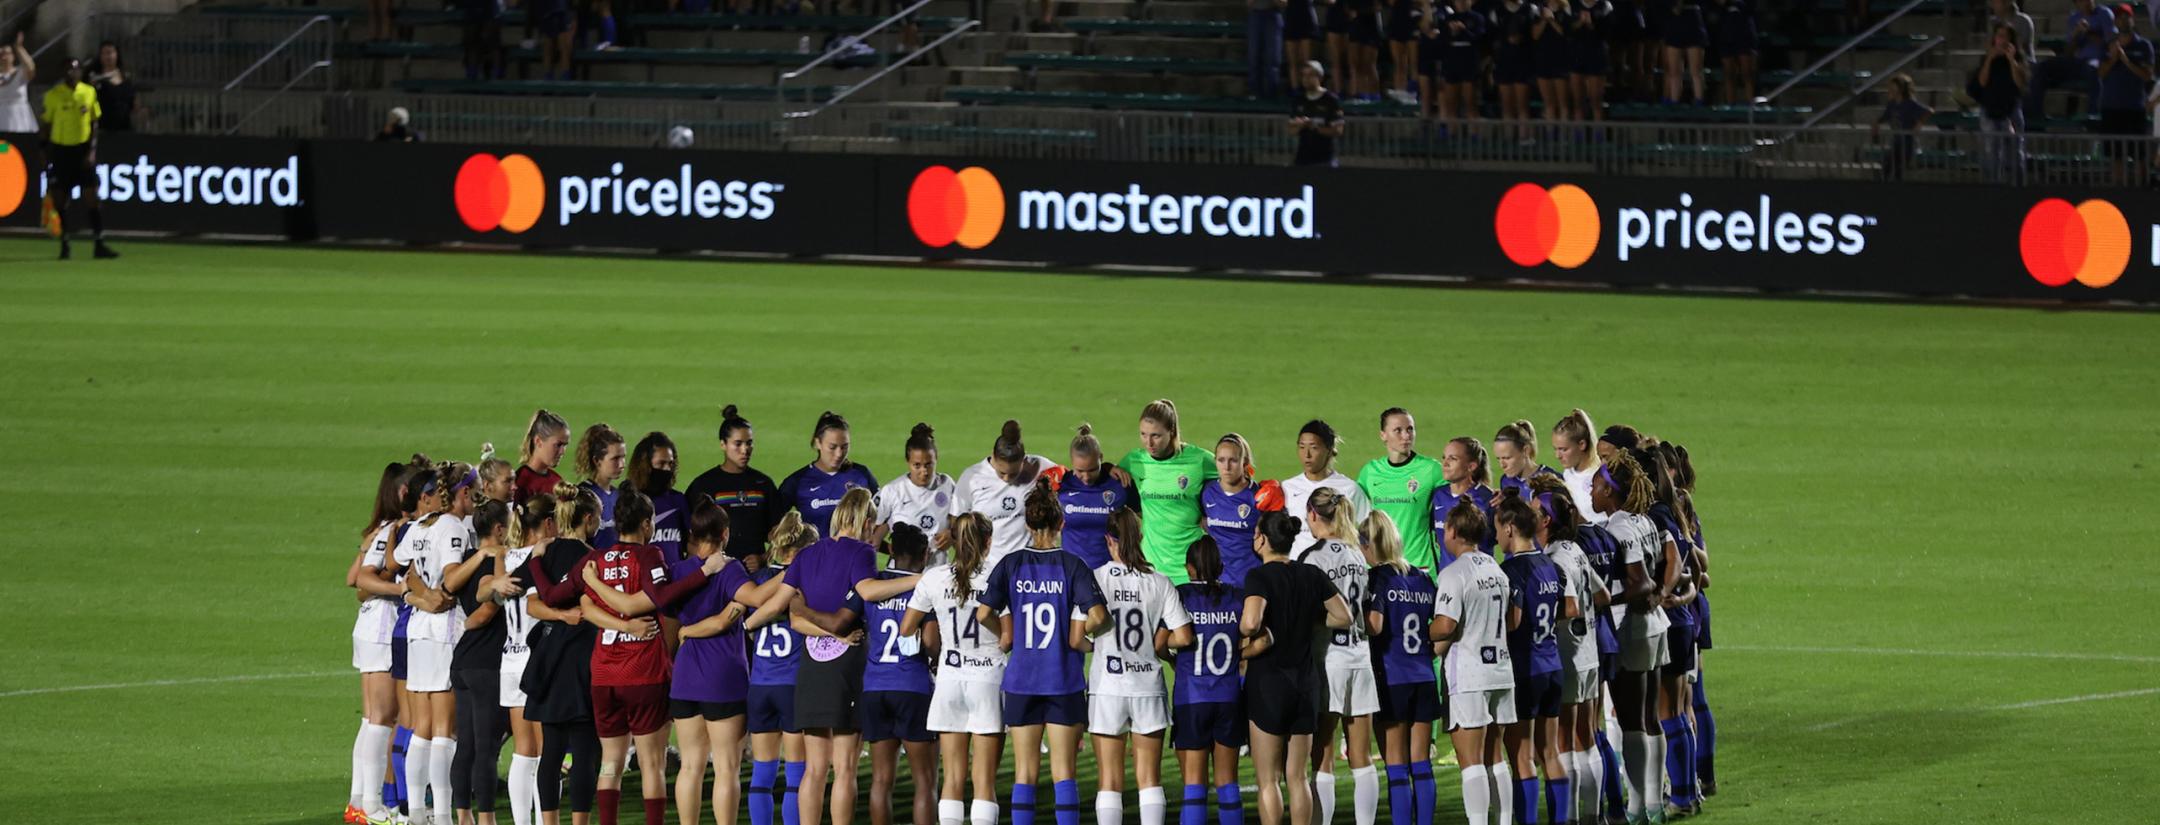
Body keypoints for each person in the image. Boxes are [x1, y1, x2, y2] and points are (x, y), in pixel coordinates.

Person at [744, 488, 881, 825]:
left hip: (811, 666)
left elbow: (776, 604)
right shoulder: (862, 552)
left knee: (814, 768)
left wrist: (746, 625)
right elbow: (867, 594)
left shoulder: (807, 554)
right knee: (845, 767)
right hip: (846, 662)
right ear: (867, 520)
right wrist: (918, 580)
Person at [976, 480, 1110, 825]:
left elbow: (982, 613)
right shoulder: (1072, 564)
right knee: (1064, 772)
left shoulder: (1011, 563)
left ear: (1027, 524)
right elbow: (1097, 615)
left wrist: (1007, 634)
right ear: (1061, 523)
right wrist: (1083, 639)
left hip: (1021, 679)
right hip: (1063, 680)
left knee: (1024, 773)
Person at [1240, 510, 1354, 825]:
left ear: (1261, 539)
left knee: (1268, 780)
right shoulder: (1311, 574)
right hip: (1305, 683)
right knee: (1298, 776)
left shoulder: (1259, 577)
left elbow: (1251, 623)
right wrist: (1312, 617)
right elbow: (1344, 616)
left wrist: (1248, 633)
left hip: (1269, 685)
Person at [1086, 509, 1194, 825]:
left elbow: (1079, 632)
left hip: (1108, 686)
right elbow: (1184, 636)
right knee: (1149, 778)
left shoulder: (1096, 579)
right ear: (1141, 538)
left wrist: (1099, 644)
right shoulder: (1159, 582)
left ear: (1109, 540)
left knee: (1110, 780)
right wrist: (1155, 641)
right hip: (1148, 685)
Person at [1590, 452, 1681, 825]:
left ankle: (1636, 806)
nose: (1591, 490)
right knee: (1649, 717)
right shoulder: (1642, 521)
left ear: (1610, 492)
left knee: (1631, 720)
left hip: (1633, 627)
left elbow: (1640, 582)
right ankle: (1654, 805)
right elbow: (1662, 568)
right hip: (1654, 624)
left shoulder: (1620, 530)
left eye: (1596, 484)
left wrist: (1605, 599)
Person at [394, 463, 484, 825]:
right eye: (476, 490)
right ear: (463, 493)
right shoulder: (452, 527)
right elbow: (450, 577)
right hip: (444, 630)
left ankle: (417, 813)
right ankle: (445, 816)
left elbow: (397, 563)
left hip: (418, 631)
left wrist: (416, 594)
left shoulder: (422, 524)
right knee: (445, 730)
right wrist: (440, 592)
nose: (479, 497)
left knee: (424, 729)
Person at [906, 513, 1007, 825]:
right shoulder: (998, 575)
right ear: (988, 541)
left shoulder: (934, 578)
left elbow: (907, 627)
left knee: (951, 778)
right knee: (984, 782)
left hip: (950, 678)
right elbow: (1008, 637)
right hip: (989, 679)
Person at [1429, 498, 1520, 825]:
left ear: (1452, 532)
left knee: (1471, 762)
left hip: (1468, 676)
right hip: (1500, 671)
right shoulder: (1496, 569)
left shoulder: (1454, 574)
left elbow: (1446, 626)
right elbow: (1512, 620)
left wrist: (1421, 633)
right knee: (1496, 758)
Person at [1297, 488, 1380, 825]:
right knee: (1361, 755)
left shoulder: (1313, 557)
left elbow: (1306, 613)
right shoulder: (1358, 555)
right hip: (1360, 658)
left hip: (1327, 658)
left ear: (1313, 515)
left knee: (1324, 753)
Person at [1527, 479, 1607, 825]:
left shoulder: (1555, 559)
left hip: (1569, 656)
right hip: (1589, 651)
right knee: (1586, 738)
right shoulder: (1574, 550)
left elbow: (1571, 606)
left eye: (1533, 511)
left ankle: (1572, 817)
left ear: (1545, 520)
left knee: (1566, 741)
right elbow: (1601, 596)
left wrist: (1542, 611)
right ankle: (1594, 813)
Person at [346, 461, 419, 825]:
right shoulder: (391, 529)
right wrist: (400, 589)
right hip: (380, 627)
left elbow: (353, 579)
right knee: (382, 719)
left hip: (372, 625)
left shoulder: (382, 528)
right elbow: (360, 580)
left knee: (372, 719)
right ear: (405, 493)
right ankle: (371, 807)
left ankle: (359, 802)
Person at [1494, 490, 1570, 825]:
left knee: (1522, 756)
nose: (1495, 536)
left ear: (1510, 528)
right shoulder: (1551, 566)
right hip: (1552, 665)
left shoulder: (1512, 571)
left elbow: (1513, 621)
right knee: (1550, 752)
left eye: (1497, 529)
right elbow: (1570, 609)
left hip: (1524, 669)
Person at [1361, 511, 1439, 825]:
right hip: (1423, 675)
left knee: (1395, 765)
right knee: (1420, 763)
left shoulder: (1376, 578)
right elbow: (1440, 624)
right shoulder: (1422, 578)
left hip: (1391, 677)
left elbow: (1376, 625)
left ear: (1368, 544)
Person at [450, 502, 524, 825]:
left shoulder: (466, 559)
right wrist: (470, 623)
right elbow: (486, 612)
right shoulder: (498, 560)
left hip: (464, 661)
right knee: (487, 747)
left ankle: (462, 815)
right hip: (487, 663)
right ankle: (487, 820)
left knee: (466, 743)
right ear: (498, 530)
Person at [743, 512, 816, 825]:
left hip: (759, 685)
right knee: (797, 774)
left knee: (762, 772)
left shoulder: (757, 581)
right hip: (792, 684)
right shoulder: (802, 583)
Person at [1168, 535, 1246, 825]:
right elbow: (1258, 637)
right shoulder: (1236, 596)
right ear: (1221, 565)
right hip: (1228, 696)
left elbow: (1160, 641)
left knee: (1194, 785)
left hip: (1192, 698)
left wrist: (1171, 659)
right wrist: (1241, 653)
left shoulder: (1181, 594)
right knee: (1228, 783)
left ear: (1189, 568)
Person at [498, 495, 564, 825]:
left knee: (523, 750)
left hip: (509, 659)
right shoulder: (545, 557)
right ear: (548, 524)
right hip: (537, 661)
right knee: (547, 750)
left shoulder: (508, 557)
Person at [1123, 400, 1219, 586]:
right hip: (1151, 567)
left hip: (1191, 568)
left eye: (1156, 436)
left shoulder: (1198, 460)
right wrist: (1111, 469)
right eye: (1143, 434)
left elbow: (1234, 471)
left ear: (1172, 431)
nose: (1148, 442)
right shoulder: (1135, 460)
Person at [686, 405, 786, 561]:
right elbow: (689, 537)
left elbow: (778, 532)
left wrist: (764, 557)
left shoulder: (763, 484)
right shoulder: (704, 484)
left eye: (749, 443)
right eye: (738, 444)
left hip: (755, 573)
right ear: (723, 444)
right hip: (717, 573)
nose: (745, 450)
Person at [40, 58, 116, 260]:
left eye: (74, 70)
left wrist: (91, 151)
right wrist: (44, 152)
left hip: (81, 150)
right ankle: (65, 243)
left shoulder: (88, 92)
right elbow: (46, 125)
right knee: (60, 199)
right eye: (67, 70)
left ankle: (99, 242)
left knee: (92, 197)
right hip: (61, 151)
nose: (71, 73)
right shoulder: (53, 96)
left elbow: (94, 123)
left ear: (80, 72)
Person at [954, 419, 1062, 559]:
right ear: (993, 455)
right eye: (1001, 472)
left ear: (1024, 459)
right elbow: (957, 522)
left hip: (1028, 566)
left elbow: (1072, 483)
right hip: (987, 568)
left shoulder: (1041, 469)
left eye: (1013, 474)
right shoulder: (972, 477)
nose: (1006, 479)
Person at [1358, 408, 1444, 573]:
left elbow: (1461, 490)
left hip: (1420, 566)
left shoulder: (1431, 470)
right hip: (1381, 567)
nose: (1406, 436)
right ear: (1383, 435)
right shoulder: (1370, 472)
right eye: (1398, 430)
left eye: (1410, 429)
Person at [778, 410, 879, 540]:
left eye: (844, 447)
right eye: (832, 447)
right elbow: (774, 526)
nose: (839, 454)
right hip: (815, 559)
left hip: (853, 558)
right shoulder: (797, 482)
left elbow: (880, 518)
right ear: (817, 443)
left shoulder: (861, 475)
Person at [1201, 433, 1283, 588]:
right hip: (1218, 584)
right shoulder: (1207, 493)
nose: (1226, 467)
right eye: (1221, 460)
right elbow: (1201, 521)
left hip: (1252, 582)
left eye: (1233, 460)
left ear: (1244, 462)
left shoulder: (1259, 496)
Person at [1282, 419, 1373, 551]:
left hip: (1337, 568)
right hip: (1298, 569)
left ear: (1329, 450)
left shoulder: (1349, 489)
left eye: (1314, 448)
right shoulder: (1287, 488)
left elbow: (1370, 531)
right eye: (1302, 447)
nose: (1307, 455)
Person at [876, 423, 959, 559]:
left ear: (936, 459)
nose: (924, 471)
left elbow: (960, 522)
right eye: (917, 465)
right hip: (903, 576)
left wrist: (953, 534)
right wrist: (890, 549)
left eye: (928, 464)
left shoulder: (947, 484)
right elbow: (869, 534)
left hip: (937, 573)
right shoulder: (893, 491)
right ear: (907, 462)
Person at [1058, 424, 1133, 570]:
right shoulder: (1061, 485)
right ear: (1071, 462)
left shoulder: (1118, 485)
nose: (1086, 477)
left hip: (1110, 576)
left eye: (1092, 470)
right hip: (1072, 574)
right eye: (1080, 471)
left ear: (1101, 458)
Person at [2027, 0, 2113, 123]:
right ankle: (2036, 115)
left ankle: (2092, 116)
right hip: (2077, 61)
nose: (2086, 3)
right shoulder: (2074, 18)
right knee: (2041, 68)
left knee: (2093, 70)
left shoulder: (2104, 14)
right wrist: (2075, 35)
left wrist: (2089, 33)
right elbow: (2069, 52)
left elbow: (2109, 44)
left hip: (2097, 60)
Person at [2096, 8, 2153, 184]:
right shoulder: (2108, 45)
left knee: (2139, 156)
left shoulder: (2143, 45)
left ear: (2132, 19)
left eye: (2126, 16)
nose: (2123, 20)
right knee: (2116, 156)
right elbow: (2101, 73)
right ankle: (2117, 192)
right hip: (2111, 107)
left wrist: (2126, 60)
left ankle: (2140, 192)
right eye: (2119, 17)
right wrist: (2113, 58)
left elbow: (2147, 75)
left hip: (2134, 107)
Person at [1975, 25, 2030, 183]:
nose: (2002, 40)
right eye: (1999, 36)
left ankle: (2017, 186)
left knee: (2014, 152)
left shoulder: (2018, 58)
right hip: (1990, 109)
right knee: (1991, 152)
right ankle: (1993, 185)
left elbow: (2019, 83)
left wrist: (2011, 60)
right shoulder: (1987, 58)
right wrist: (1989, 59)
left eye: (2005, 36)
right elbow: (1982, 82)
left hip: (2011, 109)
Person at [1431, 437, 1497, 564]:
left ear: (1471, 466)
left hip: (1478, 579)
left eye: (1453, 458)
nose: (1445, 463)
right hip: (1447, 579)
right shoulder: (1438, 495)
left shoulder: (1488, 499)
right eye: (1444, 457)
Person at [624, 432, 686, 562]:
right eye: (661, 463)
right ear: (644, 464)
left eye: (670, 464)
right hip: (639, 579)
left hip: (675, 580)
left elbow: (691, 543)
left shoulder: (678, 500)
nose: (667, 469)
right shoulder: (629, 501)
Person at [573, 424, 626, 549]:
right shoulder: (583, 495)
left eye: (623, 457)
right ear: (597, 461)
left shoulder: (619, 496)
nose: (622, 464)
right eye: (615, 458)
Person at [1434, 0, 1486, 123]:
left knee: (1470, 103)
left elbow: (1479, 39)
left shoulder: (1478, 18)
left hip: (1469, 62)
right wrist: (1452, 33)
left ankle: (1474, 136)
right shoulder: (1448, 18)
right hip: (1451, 61)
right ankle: (1453, 136)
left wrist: (1463, 30)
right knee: (1451, 104)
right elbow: (1441, 41)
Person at [1873, 74, 1933, 181]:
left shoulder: (1910, 103)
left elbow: (1928, 111)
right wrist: (1876, 123)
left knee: (1899, 168)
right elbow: (1885, 116)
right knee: (1886, 165)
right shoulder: (1892, 104)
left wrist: (1918, 124)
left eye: (1893, 87)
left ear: (1900, 88)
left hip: (1907, 142)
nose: (1890, 89)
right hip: (1896, 141)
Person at [1289, 60, 1347, 167]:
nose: (1306, 79)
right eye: (1304, 75)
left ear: (1320, 78)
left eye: (1310, 75)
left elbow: (1338, 131)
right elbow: (1291, 130)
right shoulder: (1298, 100)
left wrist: (1314, 126)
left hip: (1325, 159)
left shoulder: (1331, 100)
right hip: (1302, 158)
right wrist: (1301, 126)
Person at [1551, 409, 1603, 526]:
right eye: (1556, 449)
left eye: (1563, 449)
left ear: (1581, 445)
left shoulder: (1600, 475)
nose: (1558, 456)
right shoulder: (1567, 474)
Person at [1491, 0, 1538, 127]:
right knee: (1506, 105)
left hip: (1524, 61)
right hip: (1504, 62)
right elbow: (1494, 37)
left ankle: (1525, 139)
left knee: (1522, 104)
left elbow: (1535, 35)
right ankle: (1508, 139)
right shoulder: (1497, 10)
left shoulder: (1530, 9)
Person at [515, 410, 571, 506]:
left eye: (565, 445)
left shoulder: (557, 480)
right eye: (558, 445)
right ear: (538, 441)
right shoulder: (521, 482)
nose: (562, 452)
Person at [1568, 0, 1611, 122]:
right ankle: (1578, 137)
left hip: (1596, 55)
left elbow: (1607, 33)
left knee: (1596, 101)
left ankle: (1598, 138)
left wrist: (1591, 24)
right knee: (1577, 102)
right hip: (1576, 55)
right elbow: (1566, 30)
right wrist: (1580, 23)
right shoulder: (1572, 5)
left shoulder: (1605, 5)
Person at [1532, 0, 1574, 122]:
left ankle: (1565, 136)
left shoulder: (1565, 10)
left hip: (1561, 59)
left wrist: (1552, 20)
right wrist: (1544, 20)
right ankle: (1550, 137)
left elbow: (1565, 33)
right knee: (1548, 103)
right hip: (1543, 59)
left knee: (1563, 103)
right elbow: (1535, 35)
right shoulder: (1538, 11)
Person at [86, 42, 138, 132]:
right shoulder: (95, 78)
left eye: (110, 52)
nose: (108, 56)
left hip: (125, 126)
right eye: (104, 53)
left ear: (117, 54)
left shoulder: (126, 77)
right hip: (103, 127)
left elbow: (132, 100)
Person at [1662, 0, 1707, 104]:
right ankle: (1674, 103)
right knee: (1674, 70)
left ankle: (1699, 102)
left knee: (1696, 70)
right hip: (1674, 23)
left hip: (1693, 22)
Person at [1711, 0, 1754, 105]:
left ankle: (1751, 105)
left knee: (1747, 73)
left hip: (1744, 38)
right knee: (1728, 74)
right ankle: (1731, 105)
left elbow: (1749, 10)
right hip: (1725, 38)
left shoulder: (1742, 4)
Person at [1384, 0, 1424, 102]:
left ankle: (1415, 94)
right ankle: (1400, 94)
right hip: (1397, 20)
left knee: (1414, 63)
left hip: (1414, 19)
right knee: (1399, 63)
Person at [1253, 0, 1288, 99]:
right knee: (1254, 57)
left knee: (1273, 58)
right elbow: (1249, 3)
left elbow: (1284, 3)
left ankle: (1272, 93)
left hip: (1273, 14)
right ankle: (1255, 93)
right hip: (1256, 15)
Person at [0, 32, 31, 133]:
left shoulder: (21, 72)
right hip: (2, 124)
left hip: (20, 123)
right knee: (3, 148)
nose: (3, 57)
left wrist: (19, 47)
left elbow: (30, 67)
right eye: (0, 54)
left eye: (6, 53)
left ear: (13, 56)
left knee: (18, 148)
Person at [1990, 0, 2036, 66]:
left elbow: (2020, 48)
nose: (1992, 5)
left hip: (2023, 65)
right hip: (2002, 65)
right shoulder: (1994, 22)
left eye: (1995, 1)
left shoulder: (2023, 21)